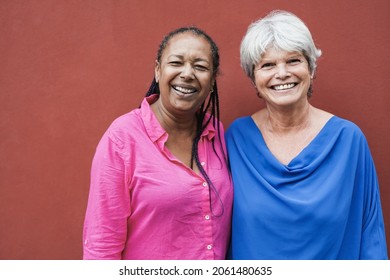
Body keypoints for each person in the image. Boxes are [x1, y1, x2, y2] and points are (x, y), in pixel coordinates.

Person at [226, 10, 387, 259]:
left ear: (311, 68)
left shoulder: (348, 141)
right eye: (267, 65)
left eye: (293, 61)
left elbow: (370, 234)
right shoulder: (236, 139)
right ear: (253, 78)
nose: (282, 74)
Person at [83, 27, 233, 259]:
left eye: (200, 66)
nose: (187, 73)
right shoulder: (122, 139)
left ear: (212, 81)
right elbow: (101, 246)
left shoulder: (216, 133)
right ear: (157, 70)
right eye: (176, 63)